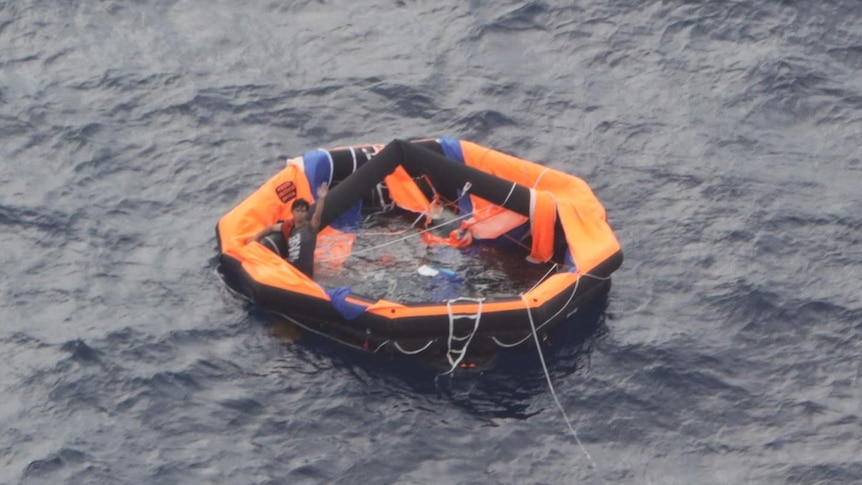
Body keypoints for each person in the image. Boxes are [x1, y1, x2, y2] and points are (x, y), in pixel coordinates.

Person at [249, 182, 328, 278]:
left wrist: (322, 199)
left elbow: (317, 216)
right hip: (291, 273)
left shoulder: (310, 228)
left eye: (303, 211)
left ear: (306, 213)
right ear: (292, 212)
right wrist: (256, 237)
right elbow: (271, 228)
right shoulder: (288, 227)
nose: (300, 214)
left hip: (306, 275)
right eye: (297, 211)